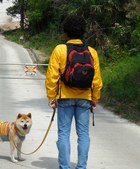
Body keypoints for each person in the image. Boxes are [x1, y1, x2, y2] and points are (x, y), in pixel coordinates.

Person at [45, 15, 103, 169]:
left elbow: (52, 76)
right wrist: (95, 98)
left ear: (66, 32)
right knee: (83, 135)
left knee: (64, 133)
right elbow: (96, 80)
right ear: (83, 31)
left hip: (65, 98)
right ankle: (81, 167)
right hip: (84, 98)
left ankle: (64, 167)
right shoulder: (92, 52)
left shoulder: (60, 49)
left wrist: (52, 96)